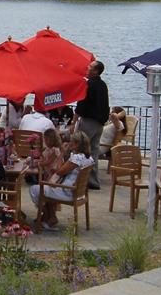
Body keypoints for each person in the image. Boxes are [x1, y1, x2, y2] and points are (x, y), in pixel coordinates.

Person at [29, 131, 94, 231]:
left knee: (35, 189)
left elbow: (59, 171)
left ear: (77, 144)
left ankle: (49, 217)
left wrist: (62, 153)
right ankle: (48, 217)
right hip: (79, 193)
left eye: (72, 141)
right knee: (48, 187)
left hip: (68, 192)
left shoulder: (76, 158)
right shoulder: (88, 158)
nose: (70, 143)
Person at [75, 60, 108, 189]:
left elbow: (81, 104)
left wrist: (74, 121)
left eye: (90, 67)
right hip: (99, 124)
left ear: (96, 71)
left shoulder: (88, 84)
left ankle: (80, 180)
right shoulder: (103, 85)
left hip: (88, 121)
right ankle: (93, 180)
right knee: (93, 151)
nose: (87, 69)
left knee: (81, 149)